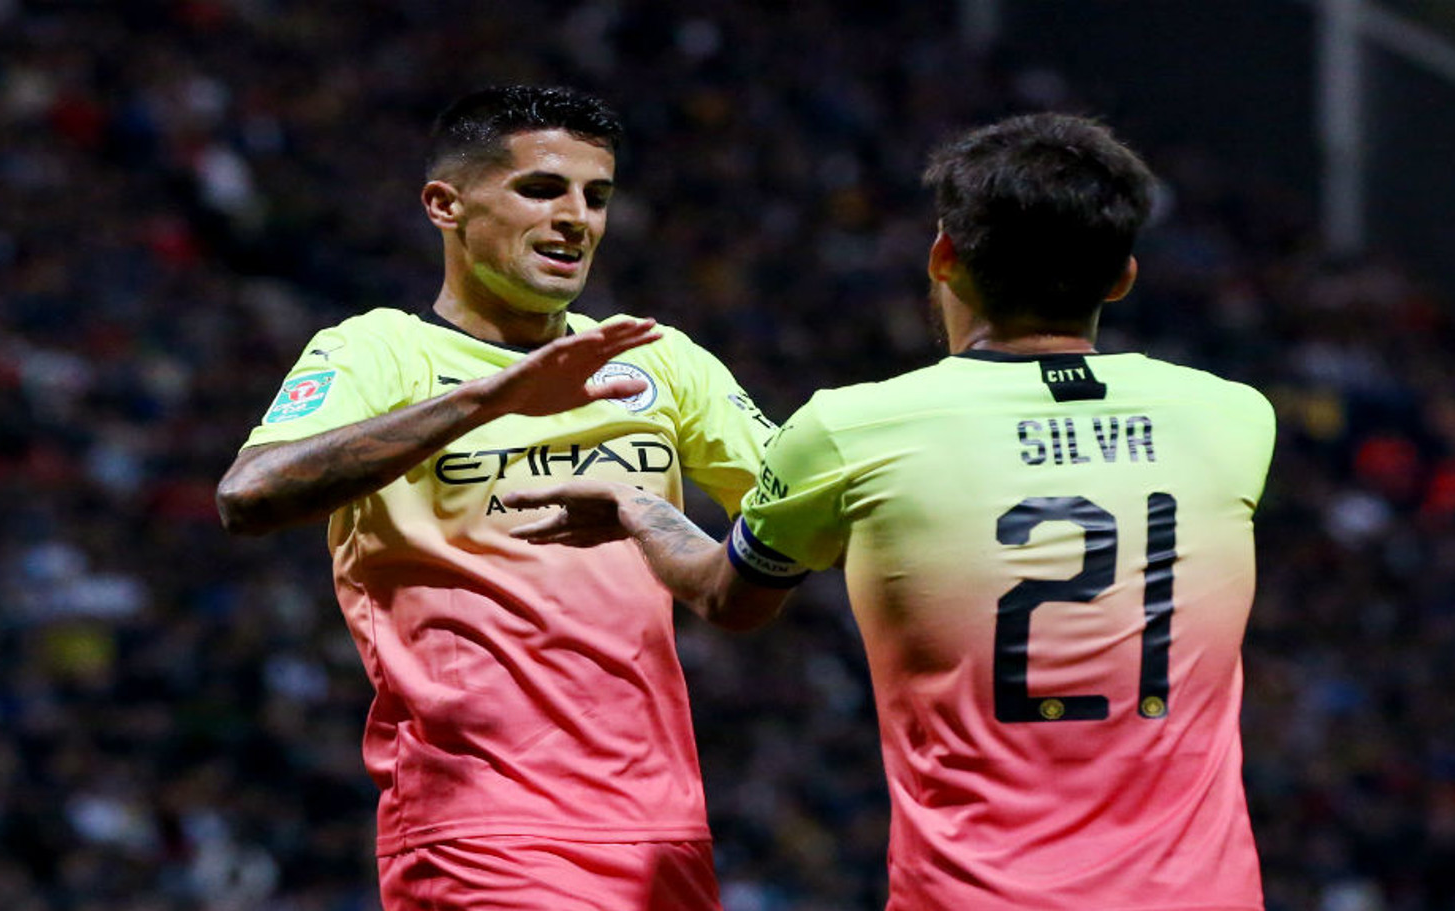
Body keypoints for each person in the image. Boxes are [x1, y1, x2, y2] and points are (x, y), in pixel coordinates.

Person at [505, 113, 1275, 910]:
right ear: (1121, 276)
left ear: (944, 256)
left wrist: (640, 509)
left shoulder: (852, 428)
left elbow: (725, 598)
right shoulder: (1233, 418)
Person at [216, 85, 776, 910]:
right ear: (447, 204)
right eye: (541, 189)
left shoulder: (660, 361)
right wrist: (490, 398)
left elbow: (801, 512)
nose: (576, 219)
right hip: (480, 821)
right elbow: (249, 494)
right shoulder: (379, 351)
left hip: (663, 821)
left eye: (597, 196)